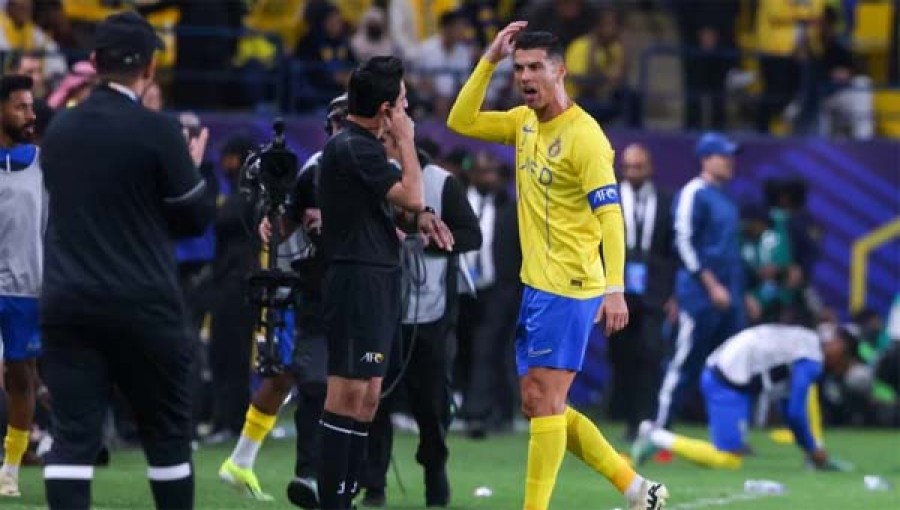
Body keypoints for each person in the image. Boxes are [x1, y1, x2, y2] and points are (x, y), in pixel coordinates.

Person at [446, 23, 668, 510]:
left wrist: (614, 289)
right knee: (540, 403)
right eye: (519, 68)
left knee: (544, 402)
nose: (525, 77)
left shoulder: (585, 138)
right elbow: (460, 122)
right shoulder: (523, 122)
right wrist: (489, 60)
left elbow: (612, 218)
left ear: (560, 71)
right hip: (536, 285)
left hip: (570, 286)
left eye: (535, 68)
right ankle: (637, 490)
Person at [38, 12, 213, 510]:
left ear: (94, 63)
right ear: (151, 68)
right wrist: (191, 172)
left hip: (69, 303)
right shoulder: (157, 131)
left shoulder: (61, 131)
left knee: (73, 438)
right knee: (166, 437)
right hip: (144, 304)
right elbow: (194, 217)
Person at [308, 56, 453, 510]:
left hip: (376, 277)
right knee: (347, 393)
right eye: (404, 103)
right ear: (387, 109)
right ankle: (332, 500)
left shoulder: (363, 147)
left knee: (369, 396)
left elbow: (404, 210)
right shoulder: (353, 146)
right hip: (355, 279)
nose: (409, 111)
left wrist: (420, 220)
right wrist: (407, 141)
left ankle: (344, 496)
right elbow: (412, 194)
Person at [218, 93, 349, 501]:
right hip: (298, 282)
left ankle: (242, 459)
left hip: (310, 282)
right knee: (295, 375)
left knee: (292, 376)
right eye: (340, 123)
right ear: (331, 127)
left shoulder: (334, 165)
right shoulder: (316, 169)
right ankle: (247, 460)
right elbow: (282, 226)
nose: (346, 129)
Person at [360, 144, 482, 507]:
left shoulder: (442, 183)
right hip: (381, 309)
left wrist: (430, 240)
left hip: (432, 313)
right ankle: (374, 484)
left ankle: (435, 474)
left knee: (432, 404)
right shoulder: (373, 176)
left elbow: (471, 235)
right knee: (374, 399)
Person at [633, 324, 853, 471]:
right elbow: (795, 412)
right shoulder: (811, 360)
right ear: (838, 346)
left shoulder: (806, 341)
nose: (841, 365)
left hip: (727, 369)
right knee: (729, 458)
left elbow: (789, 407)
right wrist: (813, 449)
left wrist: (810, 448)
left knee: (805, 394)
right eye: (845, 356)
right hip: (725, 382)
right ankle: (656, 437)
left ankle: (814, 454)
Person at [654, 132, 745, 431]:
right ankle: (661, 427)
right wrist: (711, 285)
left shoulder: (727, 198)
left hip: (728, 294)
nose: (730, 162)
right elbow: (684, 244)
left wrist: (741, 291)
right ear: (706, 159)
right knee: (685, 360)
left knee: (732, 365)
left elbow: (730, 251)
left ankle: (730, 434)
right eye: (724, 155)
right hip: (700, 295)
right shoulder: (694, 193)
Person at [607, 143, 675, 441]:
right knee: (622, 356)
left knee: (650, 355)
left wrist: (673, 294)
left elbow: (673, 251)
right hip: (618, 288)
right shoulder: (608, 199)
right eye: (628, 166)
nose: (633, 172)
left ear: (650, 168)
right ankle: (627, 417)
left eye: (638, 166)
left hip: (654, 290)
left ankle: (646, 421)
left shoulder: (665, 200)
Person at [0, 74, 42, 498]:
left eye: (31, 106)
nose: (30, 114)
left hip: (26, 290)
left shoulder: (43, 164)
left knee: (21, 377)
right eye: (21, 106)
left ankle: (9, 470)